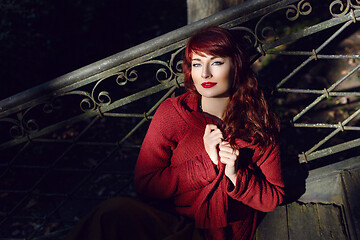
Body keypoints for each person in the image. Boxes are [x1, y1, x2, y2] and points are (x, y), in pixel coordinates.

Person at [64, 26, 284, 240]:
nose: (205, 73)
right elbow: (146, 183)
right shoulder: (174, 113)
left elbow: (273, 197)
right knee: (109, 214)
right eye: (197, 64)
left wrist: (236, 175)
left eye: (216, 62)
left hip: (224, 234)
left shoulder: (258, 121)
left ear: (235, 66)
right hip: (172, 223)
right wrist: (206, 162)